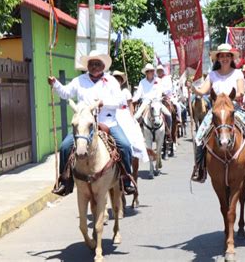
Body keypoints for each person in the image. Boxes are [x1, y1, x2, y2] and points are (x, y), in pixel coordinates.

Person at [49, 50, 136, 196]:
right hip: (85, 125)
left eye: (97, 64)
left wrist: (103, 103)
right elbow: (66, 93)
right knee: (65, 147)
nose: (94, 66)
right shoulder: (79, 80)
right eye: (91, 64)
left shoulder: (112, 81)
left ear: (103, 66)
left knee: (125, 146)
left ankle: (126, 180)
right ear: (87, 66)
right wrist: (55, 84)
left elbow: (120, 101)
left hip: (108, 122)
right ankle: (65, 182)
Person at [190, 43, 245, 182]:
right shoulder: (212, 75)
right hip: (216, 111)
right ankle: (199, 166)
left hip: (234, 109)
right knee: (199, 136)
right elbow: (203, 91)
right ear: (218, 59)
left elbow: (240, 91)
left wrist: (236, 95)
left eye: (227, 56)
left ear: (231, 58)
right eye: (222, 56)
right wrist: (192, 88)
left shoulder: (238, 73)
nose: (225, 58)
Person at [112, 71, 149, 163]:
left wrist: (132, 117)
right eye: (115, 79)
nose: (117, 81)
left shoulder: (125, 92)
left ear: (121, 81)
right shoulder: (109, 92)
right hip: (113, 114)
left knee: (133, 133)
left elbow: (130, 106)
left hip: (124, 114)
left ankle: (135, 151)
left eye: (118, 79)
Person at [132, 63, 172, 136]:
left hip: (156, 102)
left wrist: (157, 99)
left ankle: (168, 133)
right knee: (136, 117)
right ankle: (137, 135)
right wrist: (131, 100)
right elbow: (138, 95)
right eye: (149, 71)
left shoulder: (158, 80)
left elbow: (160, 91)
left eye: (152, 71)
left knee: (169, 115)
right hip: (145, 102)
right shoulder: (142, 82)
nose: (150, 72)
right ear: (146, 73)